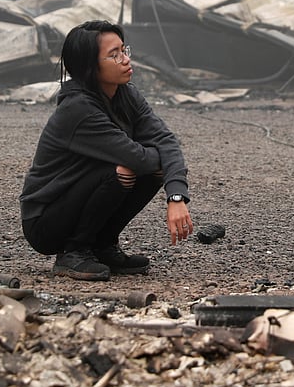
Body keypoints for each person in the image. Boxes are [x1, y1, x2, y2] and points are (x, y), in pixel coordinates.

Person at [20, 20, 193, 280]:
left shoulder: (126, 94)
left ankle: (101, 246)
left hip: (79, 197)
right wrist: (159, 158)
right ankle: (73, 252)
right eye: (114, 55)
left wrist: (176, 196)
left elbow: (166, 140)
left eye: (124, 50)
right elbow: (140, 158)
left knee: (152, 168)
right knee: (122, 170)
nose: (125, 60)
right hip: (46, 221)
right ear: (89, 67)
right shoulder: (78, 109)